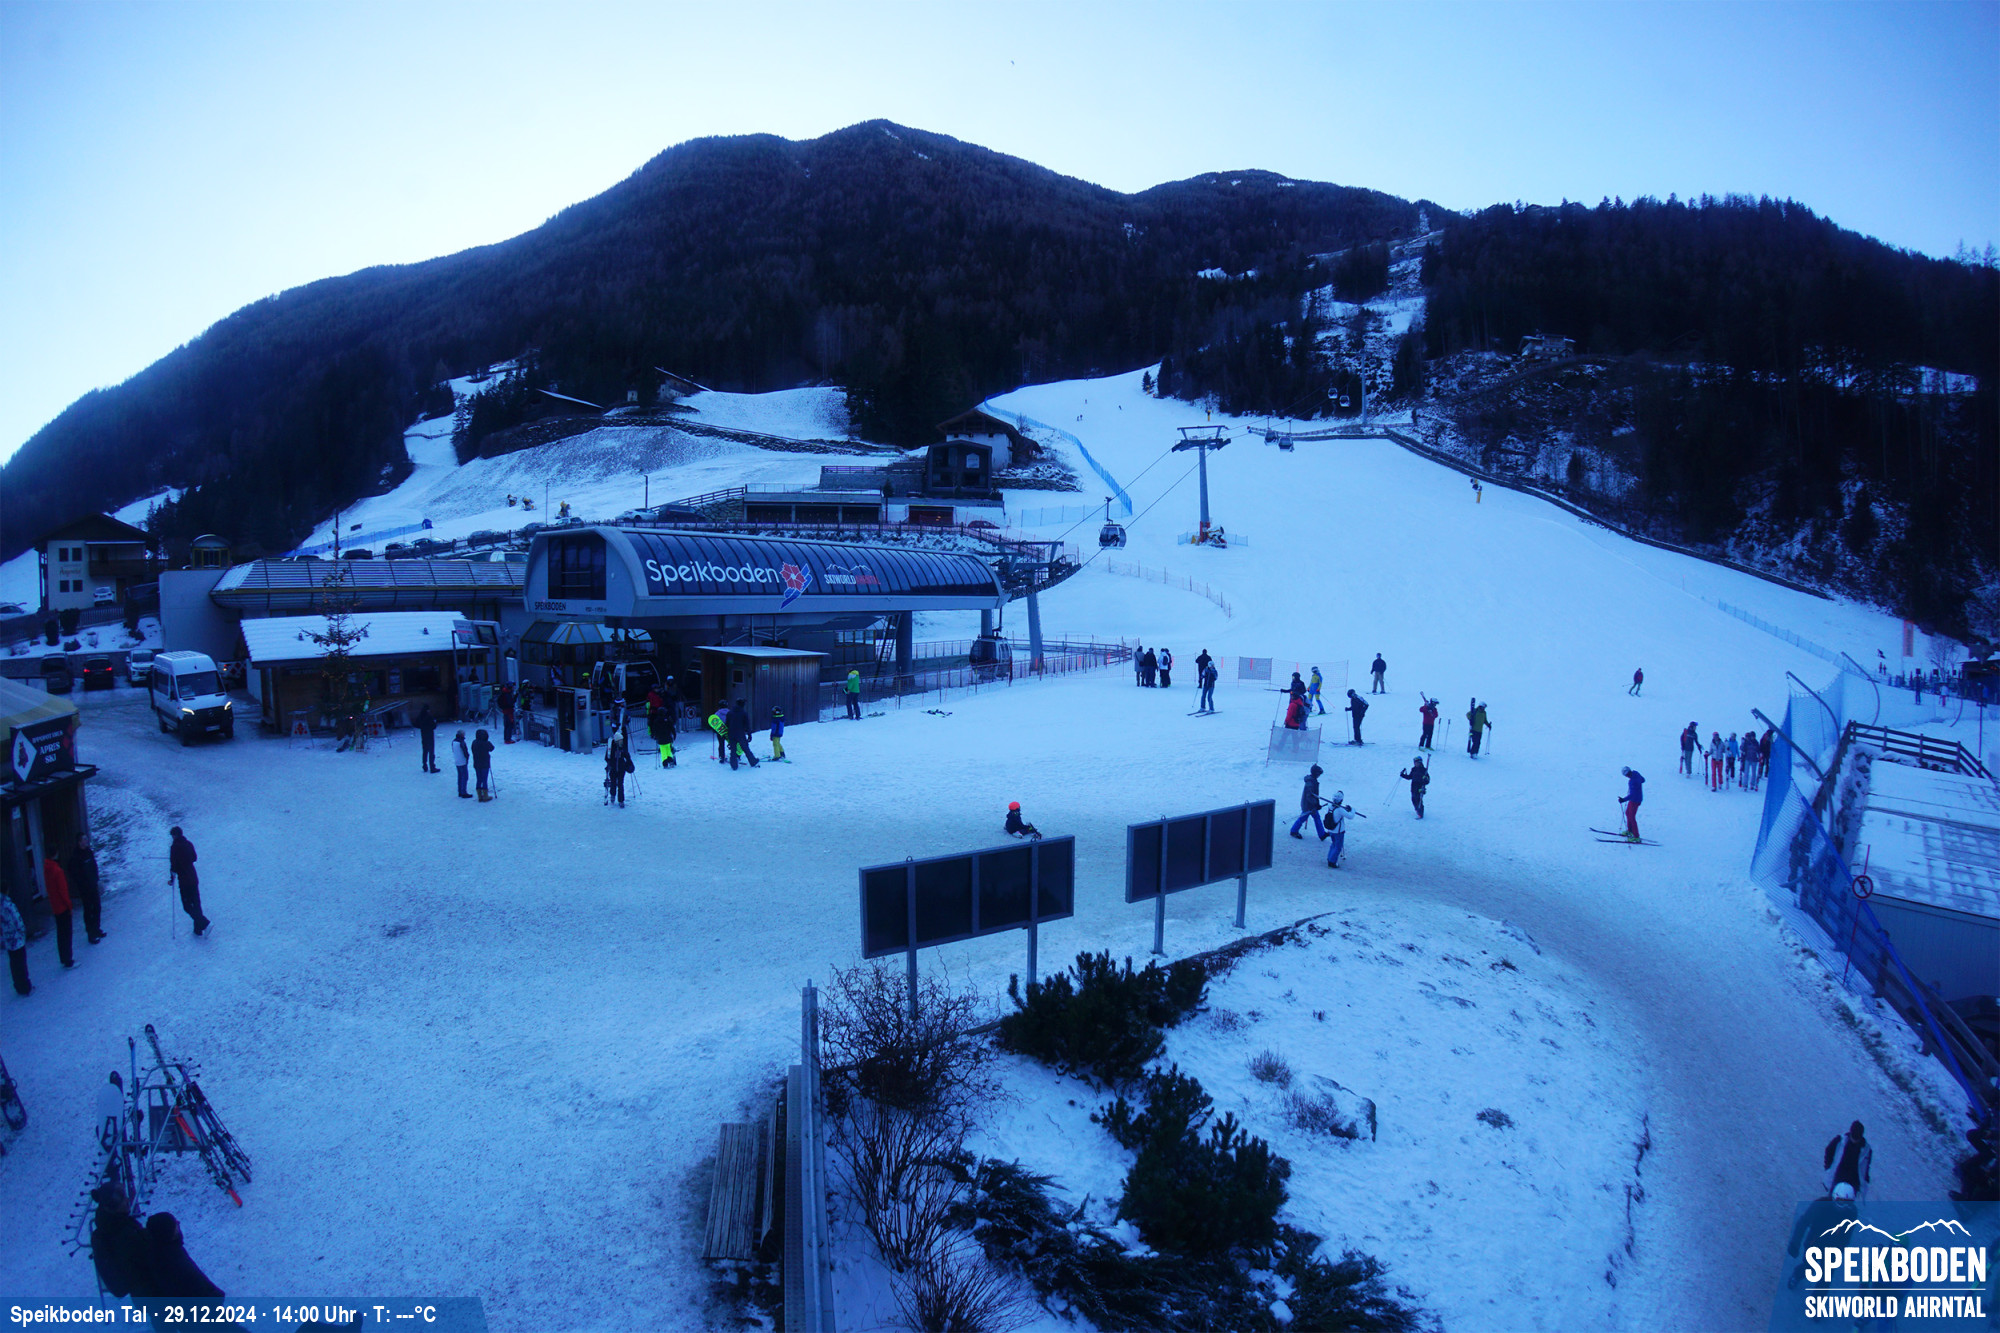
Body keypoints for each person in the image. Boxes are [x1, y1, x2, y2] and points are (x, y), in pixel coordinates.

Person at [90, 1184, 153, 1298]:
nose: (128, 1200)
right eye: (123, 1199)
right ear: (113, 1207)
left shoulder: (113, 1225)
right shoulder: (122, 1232)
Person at [143, 1211, 223, 1298]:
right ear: (168, 1233)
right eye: (175, 1224)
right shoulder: (173, 1259)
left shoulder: (166, 1248)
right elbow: (195, 1282)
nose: (178, 1223)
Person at [168, 827, 209, 936]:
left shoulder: (174, 847)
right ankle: (197, 930)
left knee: (187, 906)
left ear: (175, 835)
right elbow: (194, 858)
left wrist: (172, 879)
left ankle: (205, 923)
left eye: (172, 835)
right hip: (193, 877)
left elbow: (173, 865)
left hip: (184, 880)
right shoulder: (189, 844)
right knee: (196, 903)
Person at [1822, 1121, 1871, 1201]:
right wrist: (1828, 1168)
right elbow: (1829, 1151)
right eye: (1853, 1137)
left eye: (1857, 1139)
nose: (1854, 1141)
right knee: (1832, 1199)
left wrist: (1865, 1181)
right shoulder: (1839, 1141)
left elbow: (1866, 1167)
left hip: (1854, 1181)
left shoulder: (1866, 1150)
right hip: (1838, 1177)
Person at [71, 833, 104, 944]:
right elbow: (75, 875)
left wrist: (97, 880)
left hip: (93, 886)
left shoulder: (89, 852)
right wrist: (83, 885)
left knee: (97, 907)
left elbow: (94, 867)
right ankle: (91, 934)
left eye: (86, 838)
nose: (87, 841)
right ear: (79, 842)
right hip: (85, 890)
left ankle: (97, 929)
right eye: (84, 839)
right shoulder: (76, 857)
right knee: (88, 910)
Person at [42, 855, 73, 968]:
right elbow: (63, 891)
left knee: (60, 934)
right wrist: (69, 906)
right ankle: (68, 959)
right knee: (67, 934)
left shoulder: (47, 869)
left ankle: (63, 958)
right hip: (63, 907)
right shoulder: (57, 871)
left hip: (55, 907)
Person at [1289, 765, 1326, 839]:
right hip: (1308, 805)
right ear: (1315, 773)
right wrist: (1316, 804)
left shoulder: (1313, 781)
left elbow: (1315, 795)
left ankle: (1322, 834)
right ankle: (1293, 831)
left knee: (1317, 818)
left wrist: (1317, 804)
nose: (1319, 775)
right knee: (1303, 818)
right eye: (1319, 774)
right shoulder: (1310, 783)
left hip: (1312, 805)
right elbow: (1309, 796)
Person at [2, 893, 28, 996]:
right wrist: (22, 931)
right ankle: (25, 987)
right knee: (21, 962)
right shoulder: (8, 904)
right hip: (16, 938)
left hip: (7, 938)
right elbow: (17, 919)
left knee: (14, 963)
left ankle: (18, 986)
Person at [1319, 792, 1352, 867]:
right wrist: (1352, 810)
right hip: (1339, 832)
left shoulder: (1330, 805)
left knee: (1333, 844)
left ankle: (1330, 858)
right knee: (1338, 847)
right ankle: (1332, 862)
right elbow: (1350, 816)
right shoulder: (1340, 810)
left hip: (1331, 830)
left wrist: (1346, 809)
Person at [726, 699, 760, 770]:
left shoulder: (729, 713)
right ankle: (753, 761)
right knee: (745, 748)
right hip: (740, 734)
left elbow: (727, 724)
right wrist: (749, 734)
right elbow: (747, 725)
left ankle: (734, 766)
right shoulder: (743, 713)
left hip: (731, 733)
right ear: (742, 705)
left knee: (733, 750)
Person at [603, 733, 633, 807]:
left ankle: (621, 800)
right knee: (613, 783)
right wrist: (609, 764)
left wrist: (630, 764)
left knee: (620, 784)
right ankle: (612, 795)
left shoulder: (623, 748)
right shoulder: (611, 748)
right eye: (620, 740)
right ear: (616, 741)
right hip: (613, 769)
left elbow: (627, 757)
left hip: (621, 769)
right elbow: (606, 758)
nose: (621, 742)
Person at [647, 697, 676, 768]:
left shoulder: (656, 721)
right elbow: (671, 727)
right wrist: (674, 734)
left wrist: (654, 735)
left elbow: (654, 729)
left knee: (663, 751)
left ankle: (665, 763)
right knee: (668, 749)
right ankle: (670, 761)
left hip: (660, 739)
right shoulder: (667, 719)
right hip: (668, 738)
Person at [1619, 767, 1645, 842]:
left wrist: (1623, 800)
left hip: (1635, 800)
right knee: (1628, 813)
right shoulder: (1636, 773)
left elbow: (1632, 795)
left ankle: (1636, 836)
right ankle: (1630, 831)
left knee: (1632, 817)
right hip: (1635, 799)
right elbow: (1643, 780)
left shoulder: (1633, 782)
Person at [413, 704, 439, 774]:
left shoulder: (420, 716)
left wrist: (422, 727)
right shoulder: (429, 716)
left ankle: (424, 765)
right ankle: (432, 767)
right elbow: (434, 726)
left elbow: (415, 724)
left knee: (425, 751)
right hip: (430, 735)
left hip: (423, 735)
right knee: (431, 752)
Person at [471, 729, 494, 801]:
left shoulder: (474, 742)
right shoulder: (486, 743)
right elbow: (492, 748)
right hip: (485, 763)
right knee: (484, 779)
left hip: (476, 763)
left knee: (479, 779)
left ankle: (479, 796)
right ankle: (485, 795)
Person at [451, 731, 471, 799]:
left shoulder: (454, 741)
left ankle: (460, 791)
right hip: (462, 761)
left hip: (457, 761)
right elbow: (465, 752)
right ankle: (464, 792)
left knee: (460, 776)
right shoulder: (461, 742)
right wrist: (467, 758)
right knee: (465, 777)